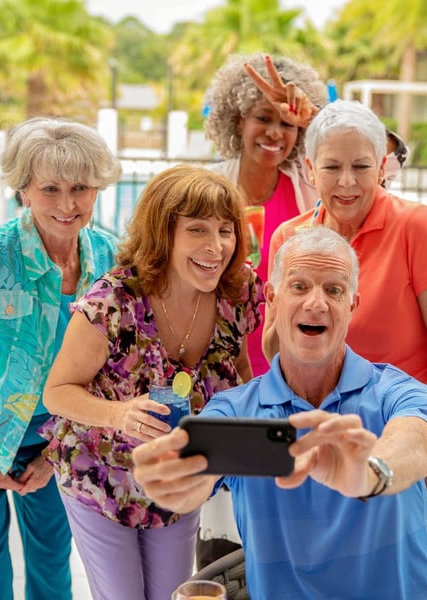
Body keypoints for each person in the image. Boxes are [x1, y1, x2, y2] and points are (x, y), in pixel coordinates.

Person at [134, 226, 427, 599]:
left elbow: (416, 440)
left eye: (334, 290)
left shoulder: (397, 391)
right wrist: (173, 485)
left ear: (352, 305)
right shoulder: (233, 411)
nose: (316, 303)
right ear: (272, 298)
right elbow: (196, 481)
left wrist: (370, 473)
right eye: (299, 286)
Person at [0, 117, 122, 599]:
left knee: (52, 561)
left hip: (59, 436)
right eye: (50, 189)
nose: (67, 205)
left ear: (97, 189)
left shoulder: (111, 258)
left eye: (80, 188)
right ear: (23, 190)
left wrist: (57, 454)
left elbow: (114, 368)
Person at [39, 165, 264, 600]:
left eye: (225, 230)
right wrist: (120, 413)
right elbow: (57, 392)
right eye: (197, 229)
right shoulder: (113, 301)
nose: (216, 246)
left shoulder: (237, 293)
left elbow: (238, 368)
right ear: (164, 234)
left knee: (171, 595)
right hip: (101, 475)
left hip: (179, 480)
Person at [265, 99, 427, 525]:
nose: (347, 182)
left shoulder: (413, 225)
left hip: (401, 446)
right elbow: (275, 352)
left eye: (361, 167)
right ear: (310, 169)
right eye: (332, 167)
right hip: (317, 449)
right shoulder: (290, 237)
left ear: (380, 168)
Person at [205, 52, 328, 377]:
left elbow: (380, 163)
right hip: (219, 365)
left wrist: (317, 120)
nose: (275, 133)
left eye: (288, 124)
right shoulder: (208, 187)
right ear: (238, 121)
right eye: (263, 118)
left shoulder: (311, 188)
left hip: (291, 365)